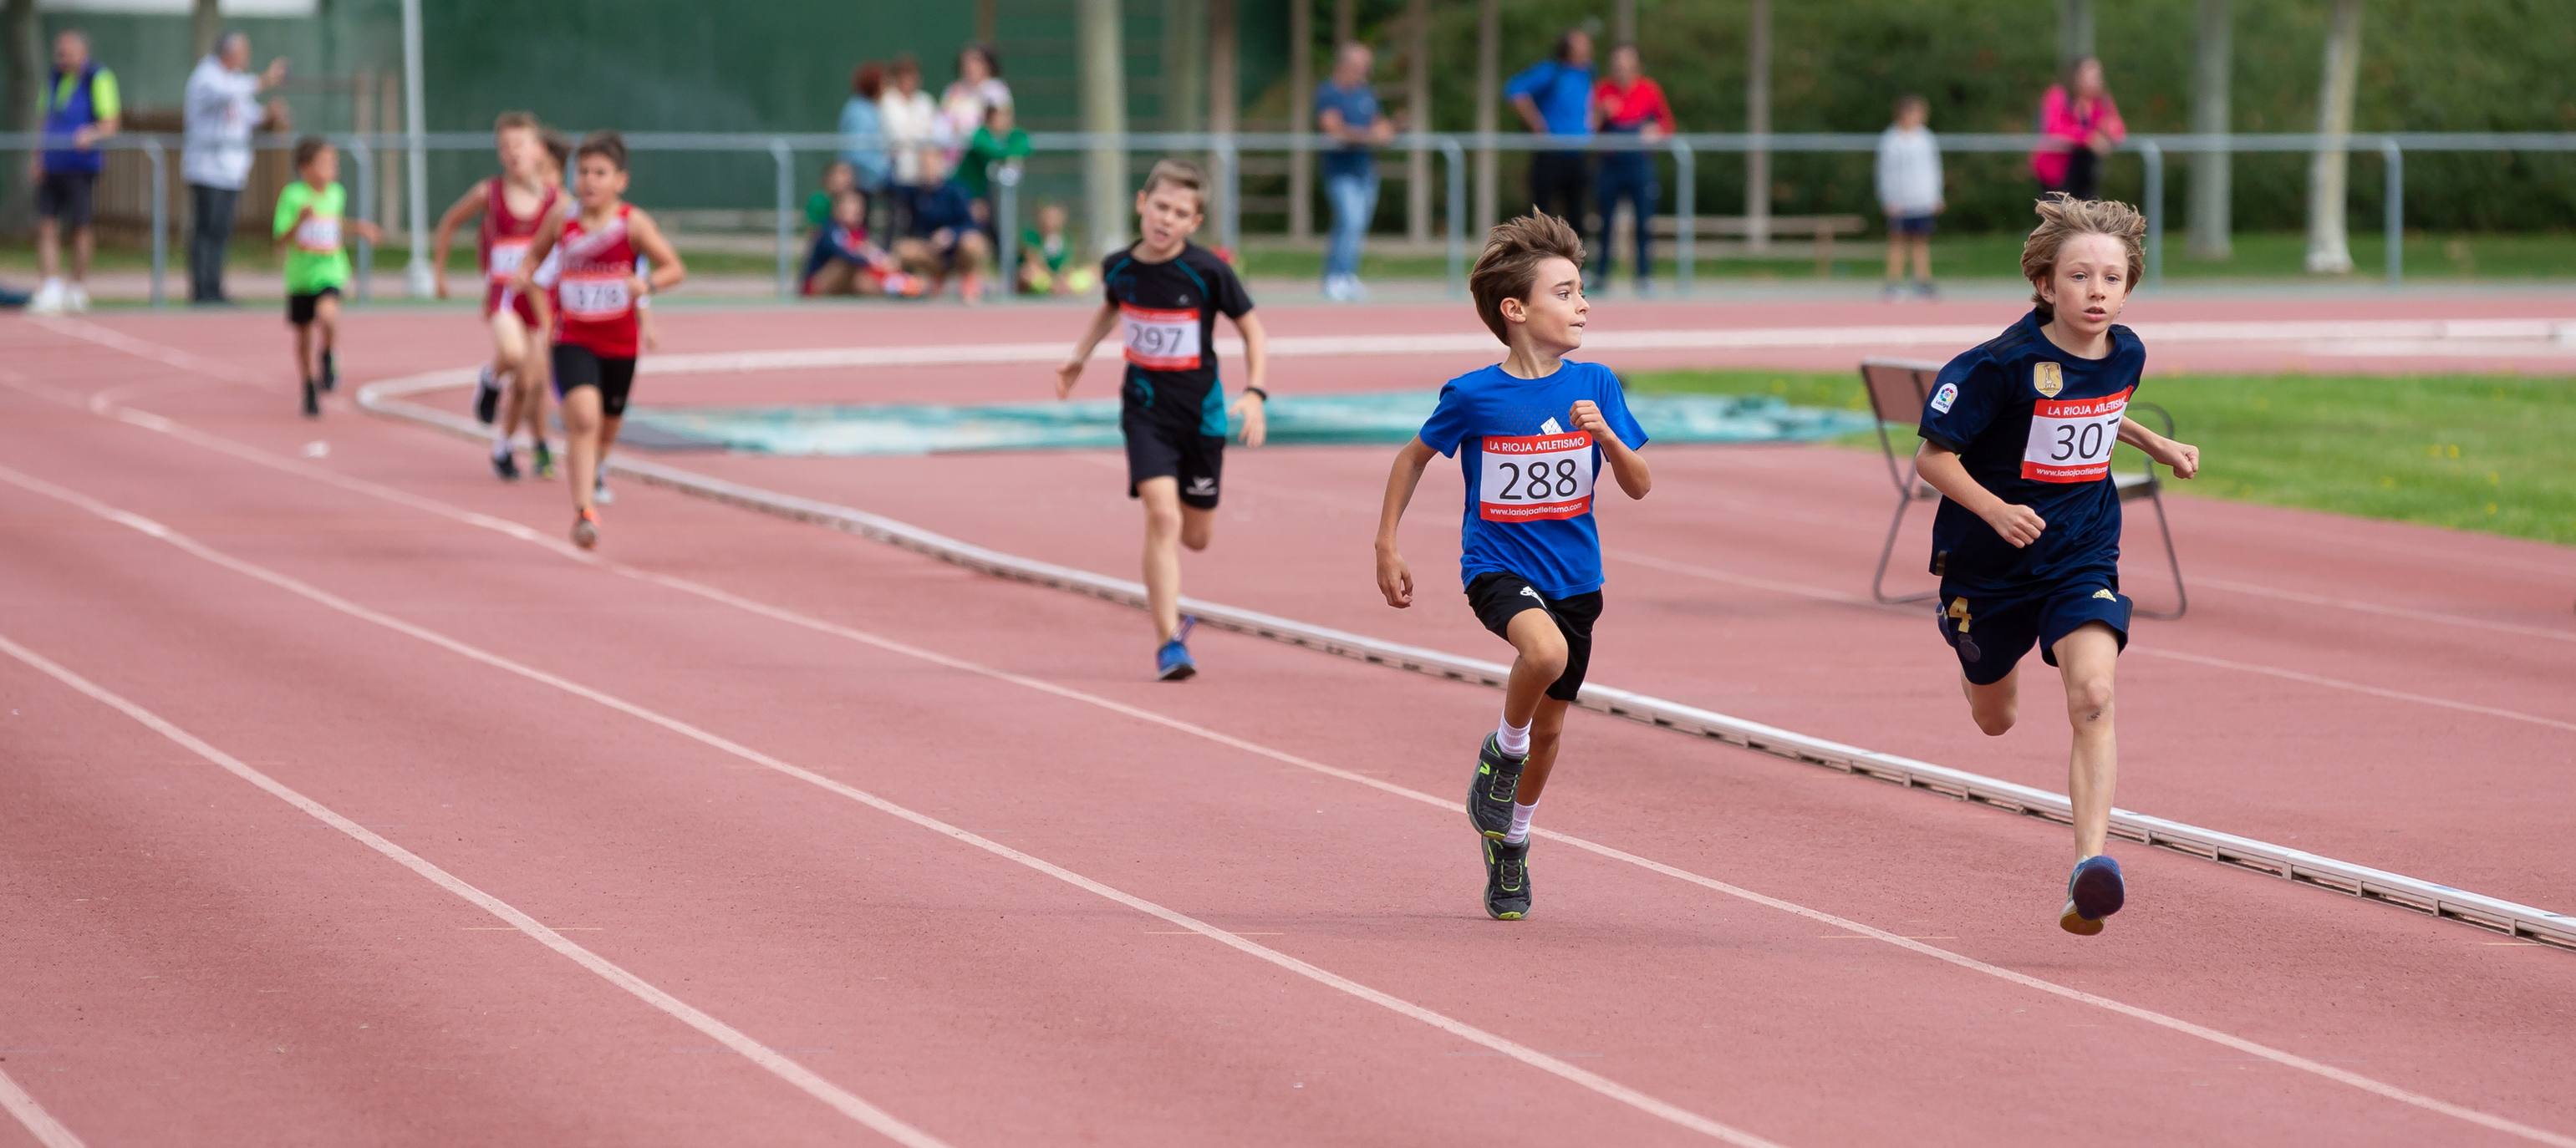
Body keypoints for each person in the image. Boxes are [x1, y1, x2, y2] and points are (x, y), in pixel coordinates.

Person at [1913, 193, 2199, 936]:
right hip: (1990, 564)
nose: (2096, 291)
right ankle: (1980, 665)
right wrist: (1994, 509)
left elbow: (2100, 402)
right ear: (2045, 285)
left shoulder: (2128, 351)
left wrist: (2155, 444)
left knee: (2095, 694)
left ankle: (2089, 868)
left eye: (2111, 278)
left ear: (2129, 286)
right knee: (1994, 718)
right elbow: (1933, 459)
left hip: (2081, 553)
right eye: (2079, 276)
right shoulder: (1997, 366)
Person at [1372, 211, 1649, 922]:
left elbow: (1641, 484)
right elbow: (1412, 459)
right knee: (1543, 653)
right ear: (1516, 309)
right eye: (1565, 291)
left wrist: (1607, 438)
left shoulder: (1596, 383)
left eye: (1582, 290)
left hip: (1577, 580)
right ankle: (1503, 747)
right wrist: (1387, 543)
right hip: (1495, 567)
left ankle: (1512, 841)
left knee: (1555, 730)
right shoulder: (1473, 395)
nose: (1583, 303)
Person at [1053, 160, 1271, 680]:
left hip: (1200, 416)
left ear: (1193, 222)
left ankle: (1174, 614)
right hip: (1144, 410)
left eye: (1179, 213)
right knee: (1162, 517)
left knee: (1195, 536)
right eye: (1160, 207)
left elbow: (1253, 332)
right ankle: (1168, 641)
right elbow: (1112, 305)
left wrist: (1256, 392)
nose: (1166, 219)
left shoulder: (1208, 271)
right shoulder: (1119, 267)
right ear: (1141, 204)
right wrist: (1079, 356)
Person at [512, 131, 686, 551]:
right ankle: (584, 511)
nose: (589, 181)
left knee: (607, 428)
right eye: (583, 172)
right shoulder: (561, 220)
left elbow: (674, 269)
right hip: (573, 337)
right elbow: (534, 260)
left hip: (620, 343)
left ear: (620, 181)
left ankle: (599, 465)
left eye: (600, 173)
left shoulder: (632, 222)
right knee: (583, 418)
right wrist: (536, 293)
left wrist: (643, 284)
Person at [432, 111, 563, 479]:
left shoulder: (556, 200)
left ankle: (504, 446)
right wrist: (439, 274)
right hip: (504, 296)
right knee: (512, 353)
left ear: (537, 150)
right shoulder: (489, 192)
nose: (512, 153)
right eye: (504, 147)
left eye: (519, 145)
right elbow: (450, 222)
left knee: (530, 383)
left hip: (539, 300)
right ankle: (490, 379)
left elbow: (573, 240)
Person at [272, 137, 381, 418]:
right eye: (325, 163)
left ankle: (328, 354)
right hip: (301, 277)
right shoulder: (293, 196)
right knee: (304, 334)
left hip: (330, 271)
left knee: (328, 316)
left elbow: (334, 223)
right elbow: (281, 237)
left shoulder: (336, 193)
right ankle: (308, 385)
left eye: (333, 162)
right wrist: (299, 221)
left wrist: (359, 229)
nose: (332, 168)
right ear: (306, 168)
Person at [182, 32, 288, 305]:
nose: (246, 58)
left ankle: (215, 287)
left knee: (221, 232)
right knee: (206, 231)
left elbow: (247, 113)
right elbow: (226, 93)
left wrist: (268, 114)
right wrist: (264, 80)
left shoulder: (235, 80)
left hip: (231, 170)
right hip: (207, 169)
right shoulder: (207, 76)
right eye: (243, 52)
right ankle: (201, 289)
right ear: (229, 53)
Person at [28, 30, 120, 315]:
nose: (61, 58)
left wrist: (90, 134)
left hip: (80, 167)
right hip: (53, 164)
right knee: (47, 225)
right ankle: (52, 285)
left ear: (82, 52)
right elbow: (44, 119)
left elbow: (111, 123)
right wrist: (38, 155)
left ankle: (77, 287)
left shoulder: (98, 77)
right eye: (59, 53)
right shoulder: (54, 78)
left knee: (80, 227)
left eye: (66, 53)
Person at [1314, 42, 1395, 302]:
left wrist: (1383, 131)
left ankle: (1348, 275)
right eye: (1361, 64)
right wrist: (1368, 136)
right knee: (1347, 222)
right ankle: (1334, 277)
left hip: (1365, 170)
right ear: (1346, 64)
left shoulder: (1365, 93)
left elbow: (1378, 123)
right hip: (1340, 172)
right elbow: (1332, 127)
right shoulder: (1329, 92)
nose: (1365, 70)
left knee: (1358, 226)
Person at [1589, 43, 1672, 292]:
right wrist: (1602, 114)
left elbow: (1666, 124)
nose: (1622, 69)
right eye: (1618, 64)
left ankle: (1644, 276)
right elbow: (1588, 127)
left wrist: (1655, 132)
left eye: (1627, 64)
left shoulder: (1649, 89)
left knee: (1644, 222)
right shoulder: (1602, 89)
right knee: (1605, 223)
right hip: (1610, 165)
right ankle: (1601, 275)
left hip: (1640, 165)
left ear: (1637, 66)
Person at [1505, 30, 1596, 235]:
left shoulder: (1587, 74)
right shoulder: (1552, 72)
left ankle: (1577, 263)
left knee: (1577, 212)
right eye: (1581, 45)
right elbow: (1515, 90)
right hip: (1551, 152)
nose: (1588, 49)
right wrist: (1537, 124)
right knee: (1541, 212)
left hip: (1578, 154)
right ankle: (1533, 262)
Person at [893, 150, 991, 303]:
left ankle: (969, 280)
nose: (927, 170)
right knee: (903, 248)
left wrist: (952, 234)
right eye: (924, 166)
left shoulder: (956, 190)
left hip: (957, 249)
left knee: (973, 243)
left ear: (940, 166)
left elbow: (971, 225)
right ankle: (929, 280)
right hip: (932, 251)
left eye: (931, 165)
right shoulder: (915, 193)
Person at [1876, 94, 1945, 300]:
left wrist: (1936, 195)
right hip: (1900, 201)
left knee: (1920, 241)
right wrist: (1888, 198)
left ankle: (1922, 281)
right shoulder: (1891, 140)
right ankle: (1893, 282)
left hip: (1922, 199)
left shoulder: (1926, 138)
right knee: (1897, 242)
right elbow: (1884, 172)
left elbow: (1934, 169)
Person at [2031, 56, 2125, 201]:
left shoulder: (2101, 101)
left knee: (2089, 217)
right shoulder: (2058, 96)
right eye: (2090, 76)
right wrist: (2088, 138)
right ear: (2076, 77)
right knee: (2060, 219)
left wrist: (2107, 132)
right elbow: (2054, 129)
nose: (2095, 80)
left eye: (2098, 75)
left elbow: (2118, 130)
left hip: (2086, 172)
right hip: (2056, 173)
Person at [804, 190, 919, 297]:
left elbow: (869, 252)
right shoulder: (829, 230)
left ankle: (900, 287)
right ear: (838, 209)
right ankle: (896, 287)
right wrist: (872, 260)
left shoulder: (857, 233)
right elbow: (845, 255)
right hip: (817, 286)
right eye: (851, 206)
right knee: (846, 265)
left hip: (846, 282)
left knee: (862, 280)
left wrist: (884, 261)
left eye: (860, 208)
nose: (857, 211)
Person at [878, 56, 940, 237]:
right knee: (895, 217)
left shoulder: (925, 101)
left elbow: (932, 130)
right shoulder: (888, 101)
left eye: (912, 76)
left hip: (923, 173)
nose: (908, 81)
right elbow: (896, 133)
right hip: (897, 172)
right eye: (904, 76)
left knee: (919, 218)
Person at [960, 101, 1030, 231]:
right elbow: (987, 149)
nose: (1001, 120)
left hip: (1005, 196)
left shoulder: (1016, 135)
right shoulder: (981, 135)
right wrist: (1008, 154)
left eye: (1005, 115)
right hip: (975, 195)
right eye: (996, 116)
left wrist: (1006, 154)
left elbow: (1025, 145)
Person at [839, 63, 892, 229]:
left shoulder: (869, 109)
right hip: (861, 179)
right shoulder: (859, 112)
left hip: (868, 178)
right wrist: (883, 168)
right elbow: (857, 152)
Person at [938, 44, 1012, 160]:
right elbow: (942, 121)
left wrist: (967, 132)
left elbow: (999, 125)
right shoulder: (953, 90)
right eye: (966, 62)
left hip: (984, 158)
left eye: (976, 62)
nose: (970, 67)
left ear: (987, 65)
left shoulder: (997, 91)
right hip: (954, 160)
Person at [1017, 202, 1097, 297]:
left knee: (1093, 270)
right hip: (1043, 277)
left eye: (1055, 217)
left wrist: (1063, 278)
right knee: (1027, 272)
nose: (1051, 221)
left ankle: (1062, 288)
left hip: (1057, 279)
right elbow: (1033, 261)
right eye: (1048, 217)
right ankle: (1052, 288)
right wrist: (1053, 280)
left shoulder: (1066, 239)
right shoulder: (1030, 236)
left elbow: (1066, 265)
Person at [805, 160, 858, 231]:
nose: (844, 179)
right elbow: (813, 229)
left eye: (846, 174)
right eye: (841, 174)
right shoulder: (818, 201)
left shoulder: (855, 200)